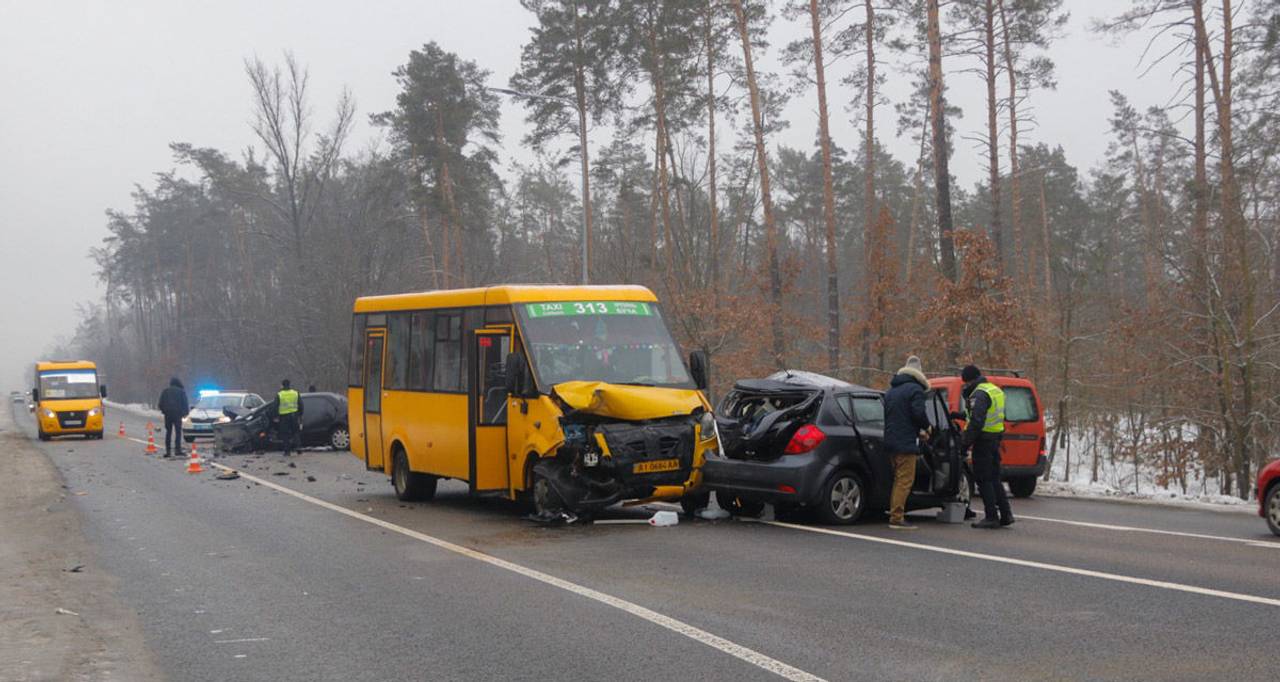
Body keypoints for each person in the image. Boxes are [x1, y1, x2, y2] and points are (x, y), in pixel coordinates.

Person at [882, 355, 933, 530]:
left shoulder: (891, 391)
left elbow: (898, 417)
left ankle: (894, 512)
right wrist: (926, 427)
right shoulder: (915, 390)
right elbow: (917, 413)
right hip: (905, 443)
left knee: (896, 480)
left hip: (890, 441)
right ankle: (897, 517)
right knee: (904, 481)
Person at [960, 364, 1014, 529]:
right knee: (994, 479)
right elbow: (984, 413)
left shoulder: (979, 394)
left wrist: (964, 444)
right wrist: (958, 415)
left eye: (965, 382)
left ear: (969, 380)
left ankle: (991, 516)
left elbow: (977, 421)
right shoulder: (994, 390)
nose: (965, 386)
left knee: (983, 479)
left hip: (983, 441)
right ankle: (1006, 514)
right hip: (995, 439)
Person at [157, 377, 189, 458]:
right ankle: (177, 450)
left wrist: (164, 411)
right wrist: (185, 413)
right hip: (178, 414)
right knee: (178, 432)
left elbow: (160, 404)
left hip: (168, 414)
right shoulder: (181, 392)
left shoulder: (165, 391)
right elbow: (185, 403)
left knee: (168, 432)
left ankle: (168, 451)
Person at [276, 379, 303, 456]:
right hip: (294, 416)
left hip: (284, 417)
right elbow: (301, 404)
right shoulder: (295, 393)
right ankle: (298, 448)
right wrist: (300, 414)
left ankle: (287, 451)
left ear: (282, 385)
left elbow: (275, 406)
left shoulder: (280, 394)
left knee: (285, 434)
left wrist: (276, 416)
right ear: (289, 384)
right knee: (295, 432)